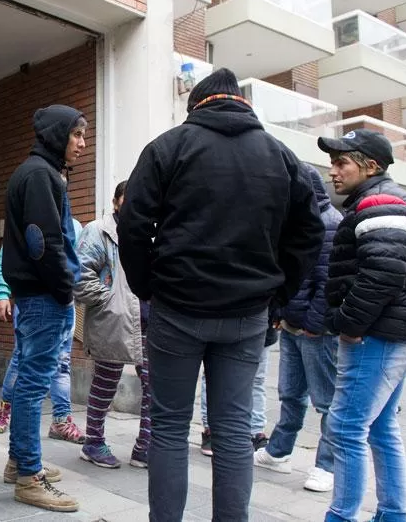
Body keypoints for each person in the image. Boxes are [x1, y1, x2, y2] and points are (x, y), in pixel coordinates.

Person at [118, 68, 324, 521]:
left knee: (169, 427)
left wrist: (147, 285)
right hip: (248, 312)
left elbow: (133, 223)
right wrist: (279, 296)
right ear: (241, 103)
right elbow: (308, 235)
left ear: (197, 106)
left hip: (177, 307)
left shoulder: (168, 147)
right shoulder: (282, 157)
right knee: (232, 431)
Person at [319, 129, 406, 522]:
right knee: (381, 427)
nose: (332, 172)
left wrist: (348, 324)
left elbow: (382, 274)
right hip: (392, 331)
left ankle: (342, 516)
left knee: (346, 426)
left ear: (370, 166)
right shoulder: (377, 201)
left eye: (341, 163)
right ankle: (391, 516)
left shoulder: (381, 201)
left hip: (379, 334)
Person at [1, 104, 86, 512]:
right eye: (77, 135)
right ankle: (29, 477)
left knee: (28, 383)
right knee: (34, 385)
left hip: (34, 295)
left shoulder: (37, 172)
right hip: (44, 296)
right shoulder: (40, 175)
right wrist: (65, 289)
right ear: (57, 135)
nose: (82, 145)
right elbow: (42, 242)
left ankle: (20, 462)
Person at [254, 163, 342, 494]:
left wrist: (315, 325)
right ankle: (278, 452)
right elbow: (284, 273)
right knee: (291, 394)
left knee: (326, 400)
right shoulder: (293, 222)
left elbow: (330, 282)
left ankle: (327, 466)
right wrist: (279, 312)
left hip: (315, 330)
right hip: (291, 325)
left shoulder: (331, 223)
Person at [74, 180, 151, 469]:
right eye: (129, 199)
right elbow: (79, 275)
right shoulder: (98, 230)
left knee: (154, 385)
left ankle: (145, 447)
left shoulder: (149, 233)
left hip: (148, 323)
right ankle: (93, 443)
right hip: (113, 320)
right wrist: (109, 301)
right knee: (106, 384)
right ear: (116, 201)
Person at [0, 217, 85, 444]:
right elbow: (7, 258)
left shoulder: (74, 227)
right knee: (21, 359)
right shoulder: (28, 220)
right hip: (31, 303)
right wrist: (2, 293)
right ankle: (5, 408)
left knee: (62, 363)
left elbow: (76, 263)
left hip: (63, 303)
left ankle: (61, 420)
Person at [199, 326, 273, 455]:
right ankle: (210, 430)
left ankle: (256, 431)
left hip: (261, 324)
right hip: (220, 322)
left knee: (257, 379)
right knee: (213, 373)